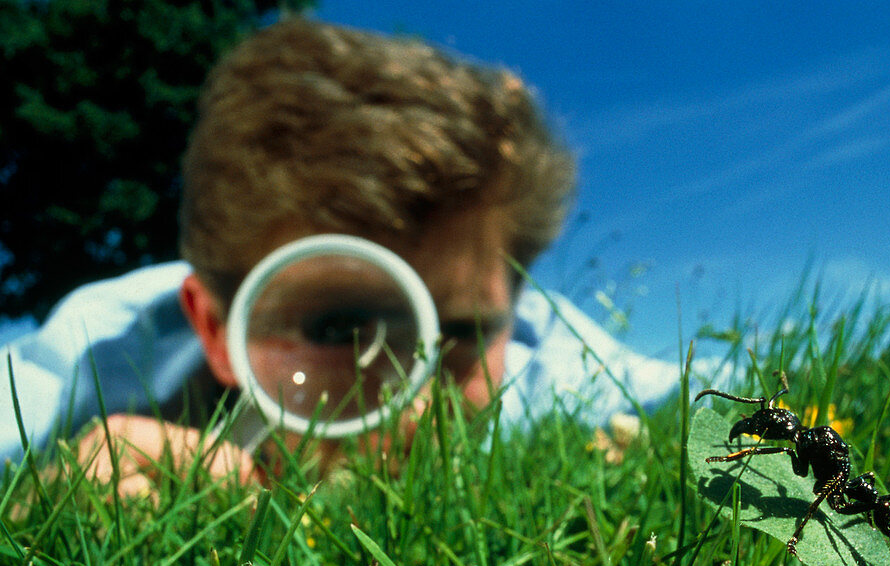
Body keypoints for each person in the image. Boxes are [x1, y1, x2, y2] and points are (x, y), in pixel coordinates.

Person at [0, 17, 686, 491]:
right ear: (215, 329)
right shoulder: (99, 355)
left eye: (461, 334)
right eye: (336, 329)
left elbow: (726, 392)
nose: (408, 411)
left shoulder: (551, 366)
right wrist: (39, 505)